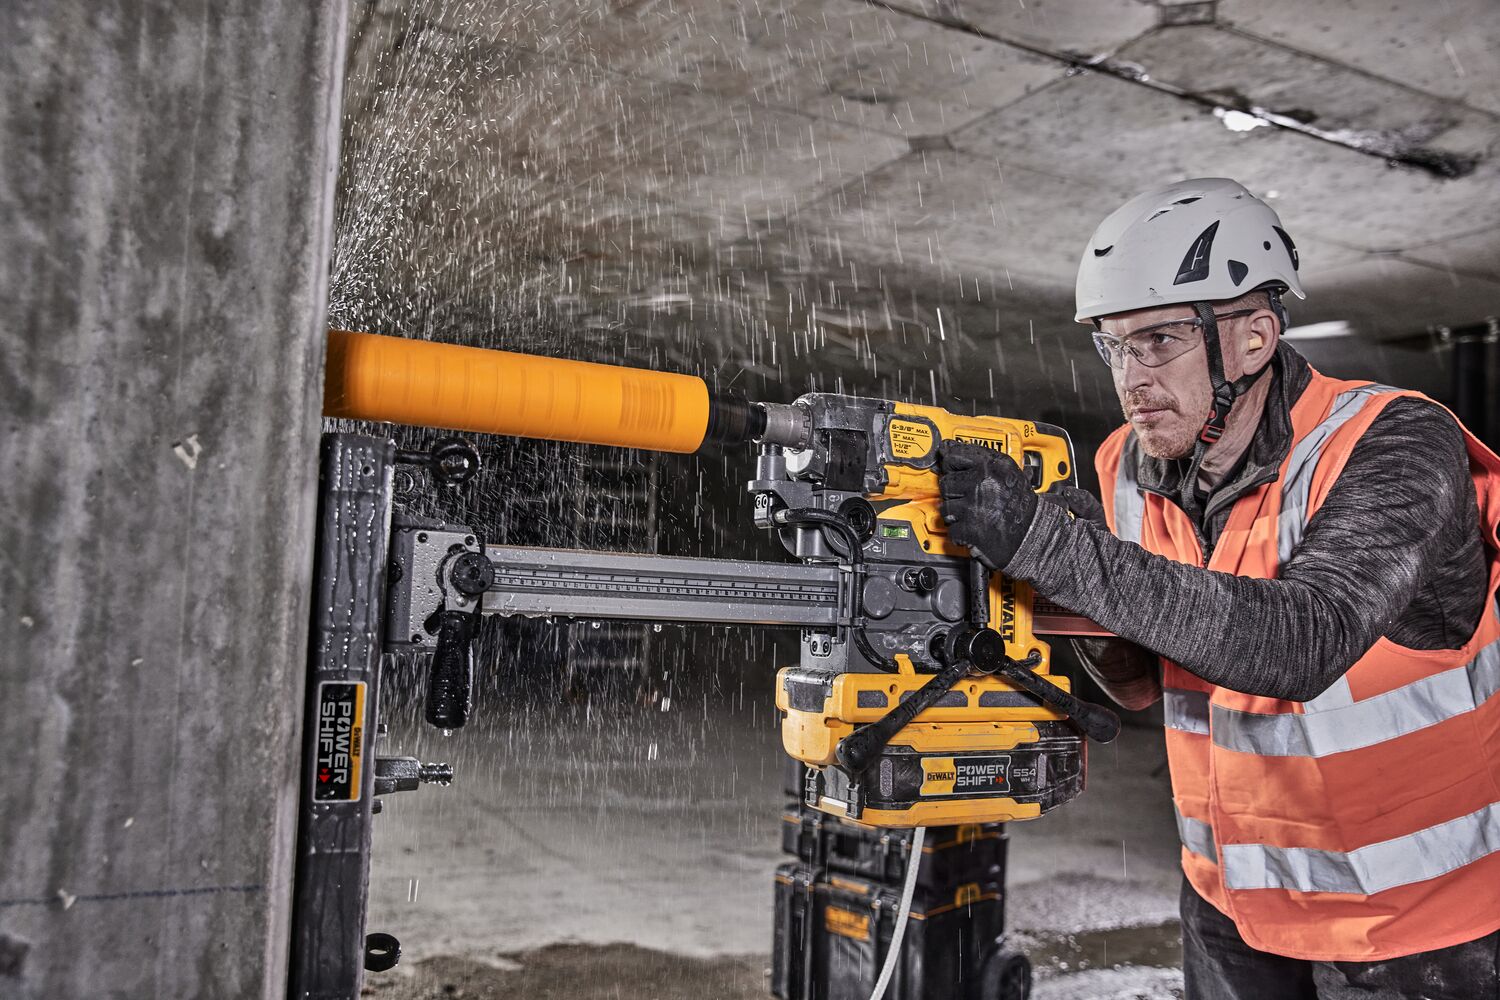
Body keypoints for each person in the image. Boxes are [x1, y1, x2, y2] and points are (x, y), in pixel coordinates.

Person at [938, 178, 1500, 999]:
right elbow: (1138, 683)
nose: (1131, 376)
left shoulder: (1396, 443)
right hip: (1229, 900)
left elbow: (1301, 641)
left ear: (1254, 337)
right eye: (1113, 344)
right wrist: (1050, 585)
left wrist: (1049, 545)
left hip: (1416, 924)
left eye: (1159, 339)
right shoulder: (1123, 466)